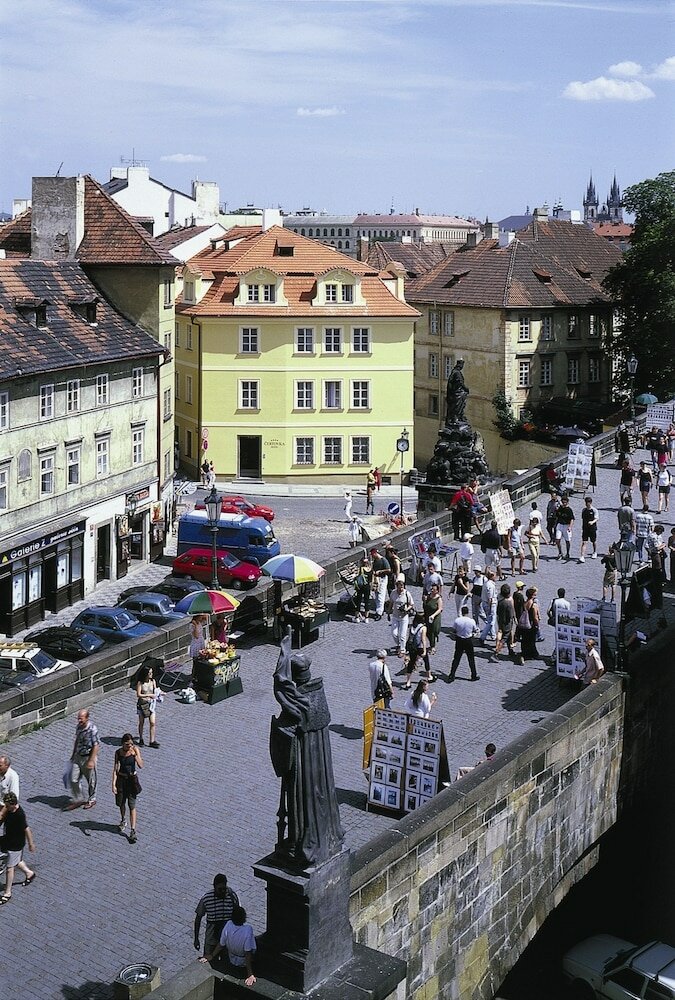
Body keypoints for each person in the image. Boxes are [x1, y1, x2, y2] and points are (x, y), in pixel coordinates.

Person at [200, 905, 256, 986]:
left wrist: (212, 955)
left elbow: (221, 944)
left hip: (232, 958)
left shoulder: (228, 924)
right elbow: (248, 953)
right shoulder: (248, 929)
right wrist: (250, 974)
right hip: (243, 962)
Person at [194, 874, 240, 960]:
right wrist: (196, 938)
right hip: (211, 939)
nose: (222, 891)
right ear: (214, 887)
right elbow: (198, 919)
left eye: (224, 889)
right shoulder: (206, 898)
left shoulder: (231, 896)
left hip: (227, 939)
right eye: (220, 889)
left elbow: (238, 916)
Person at [0, 792, 35, 903]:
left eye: (7, 805)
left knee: (10, 868)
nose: (5, 807)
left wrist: (31, 844)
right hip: (8, 839)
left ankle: (7, 893)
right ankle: (29, 873)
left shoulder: (19, 815)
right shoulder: (9, 810)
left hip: (15, 844)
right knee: (16, 860)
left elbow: (27, 829)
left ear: (13, 804)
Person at [112, 733, 143, 844]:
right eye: (127, 744)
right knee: (121, 803)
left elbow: (141, 765)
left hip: (132, 781)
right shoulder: (118, 753)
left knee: (132, 805)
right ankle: (123, 820)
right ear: (122, 744)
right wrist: (113, 784)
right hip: (121, 780)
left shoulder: (135, 750)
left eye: (131, 744)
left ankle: (133, 830)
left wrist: (135, 756)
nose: (129, 746)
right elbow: (115, 769)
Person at [66, 709, 100, 811]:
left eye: (81, 718)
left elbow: (96, 746)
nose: (79, 720)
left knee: (91, 781)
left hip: (88, 757)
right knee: (73, 779)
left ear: (87, 718)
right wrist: (73, 754)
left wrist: (91, 760)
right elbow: (77, 740)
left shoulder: (92, 729)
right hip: (78, 756)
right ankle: (79, 798)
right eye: (78, 718)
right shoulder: (79, 727)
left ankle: (92, 799)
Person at [448, 606, 479, 682]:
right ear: (468, 612)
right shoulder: (471, 621)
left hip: (459, 640)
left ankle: (452, 675)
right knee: (471, 658)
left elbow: (453, 630)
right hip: (468, 640)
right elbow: (475, 630)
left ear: (461, 612)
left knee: (456, 658)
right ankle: (473, 675)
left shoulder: (457, 620)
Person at [404, 612, 434, 687]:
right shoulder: (423, 627)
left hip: (412, 647)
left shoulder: (412, 626)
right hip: (420, 647)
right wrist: (424, 650)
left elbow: (409, 637)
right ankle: (429, 676)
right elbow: (423, 640)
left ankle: (408, 682)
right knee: (426, 661)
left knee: (411, 663)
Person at [135, 663, 160, 749]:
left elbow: (156, 691)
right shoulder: (140, 683)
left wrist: (160, 693)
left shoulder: (153, 681)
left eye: (151, 673)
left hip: (151, 705)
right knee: (141, 722)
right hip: (142, 704)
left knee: (152, 722)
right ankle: (141, 738)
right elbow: (138, 694)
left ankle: (152, 740)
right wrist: (149, 695)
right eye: (149, 673)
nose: (151, 674)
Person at [388, 578, 415, 655]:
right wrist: (388, 612)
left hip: (404, 617)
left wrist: (406, 609)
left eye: (402, 587)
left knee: (402, 635)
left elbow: (411, 604)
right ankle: (399, 645)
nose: (401, 589)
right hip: (395, 616)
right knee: (394, 633)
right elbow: (391, 603)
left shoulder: (407, 594)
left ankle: (403, 650)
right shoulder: (393, 593)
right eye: (399, 588)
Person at [491, 584, 515, 662]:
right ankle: (496, 652)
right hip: (507, 624)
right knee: (504, 638)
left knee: (508, 637)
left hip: (501, 621)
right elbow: (511, 615)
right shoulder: (509, 604)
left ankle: (510, 651)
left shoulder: (500, 602)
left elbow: (497, 612)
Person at [369, 546, 391, 620]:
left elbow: (388, 569)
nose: (372, 557)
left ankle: (379, 613)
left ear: (375, 553)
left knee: (381, 596)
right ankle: (378, 610)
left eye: (372, 555)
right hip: (376, 579)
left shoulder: (383, 560)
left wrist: (380, 571)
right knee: (377, 595)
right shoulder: (375, 560)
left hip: (382, 579)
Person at [519, 587, 540, 661]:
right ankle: (532, 654)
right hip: (531, 624)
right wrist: (537, 625)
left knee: (525, 639)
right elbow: (535, 617)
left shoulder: (525, 602)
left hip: (524, 624)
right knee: (531, 640)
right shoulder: (533, 605)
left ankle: (524, 653)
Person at [423, 583, 443, 655]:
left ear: (437, 591)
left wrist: (433, 615)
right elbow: (425, 606)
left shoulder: (438, 599)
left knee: (433, 631)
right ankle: (431, 644)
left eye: (433, 589)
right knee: (427, 631)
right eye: (431, 589)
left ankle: (433, 647)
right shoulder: (428, 597)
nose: (431, 590)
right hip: (427, 616)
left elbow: (440, 609)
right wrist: (424, 600)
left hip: (435, 617)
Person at [479, 568, 497, 642]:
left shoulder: (486, 583)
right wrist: (489, 608)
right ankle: (482, 637)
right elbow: (490, 598)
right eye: (495, 575)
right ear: (492, 576)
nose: (496, 577)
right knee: (491, 622)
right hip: (490, 605)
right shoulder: (491, 586)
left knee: (490, 621)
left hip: (485, 603)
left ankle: (493, 635)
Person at [554, 496, 575, 561]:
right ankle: (560, 553)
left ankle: (567, 553)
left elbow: (572, 519)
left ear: (567, 502)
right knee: (557, 540)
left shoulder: (569, 510)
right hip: (560, 525)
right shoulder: (560, 508)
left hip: (566, 525)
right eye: (563, 502)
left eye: (565, 502)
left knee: (567, 540)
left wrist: (570, 527)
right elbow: (557, 516)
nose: (564, 504)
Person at [579, 497, 599, 562]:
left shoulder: (594, 510)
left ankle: (595, 552)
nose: (587, 504)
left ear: (590, 503)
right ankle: (582, 556)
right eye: (586, 502)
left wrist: (592, 522)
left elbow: (597, 518)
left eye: (588, 502)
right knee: (584, 542)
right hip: (585, 528)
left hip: (592, 528)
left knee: (593, 541)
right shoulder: (584, 510)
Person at [353, 555, 372, 621]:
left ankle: (357, 617)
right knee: (367, 601)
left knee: (358, 601)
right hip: (367, 586)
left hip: (361, 586)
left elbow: (357, 576)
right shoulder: (371, 569)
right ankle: (366, 618)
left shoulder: (361, 569)